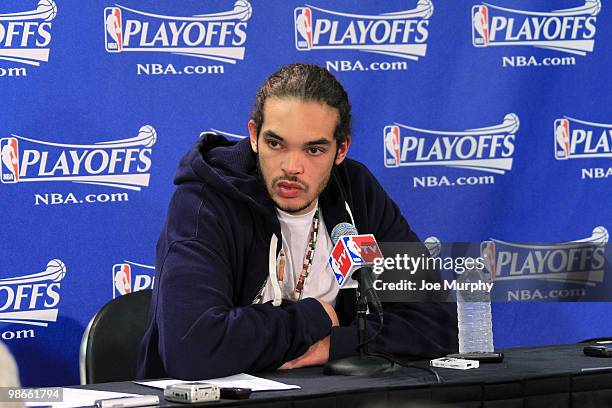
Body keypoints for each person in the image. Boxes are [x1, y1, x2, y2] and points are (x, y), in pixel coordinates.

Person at [137, 63, 457, 380]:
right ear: (254, 135)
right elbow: (191, 348)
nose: (292, 167)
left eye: (314, 150)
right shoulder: (206, 201)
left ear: (341, 149)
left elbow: (437, 322)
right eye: (275, 144)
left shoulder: (357, 192)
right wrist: (313, 317)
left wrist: (338, 344)